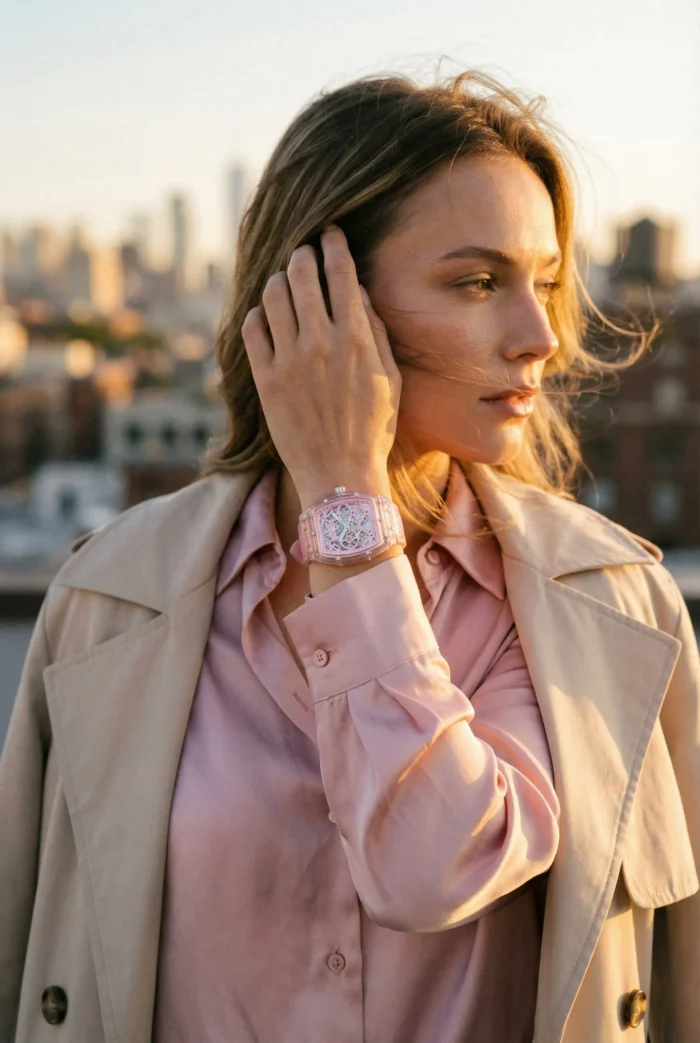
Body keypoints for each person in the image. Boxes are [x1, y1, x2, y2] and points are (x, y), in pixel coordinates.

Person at [1, 70, 698, 1043]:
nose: (539, 335)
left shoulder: (608, 608)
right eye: (476, 282)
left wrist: (345, 506)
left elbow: (432, 867)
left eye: (542, 282)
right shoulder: (107, 601)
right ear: (312, 307)